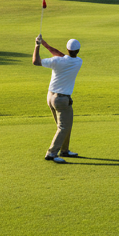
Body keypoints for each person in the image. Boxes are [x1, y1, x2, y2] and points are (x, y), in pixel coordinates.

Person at [32, 35, 84, 163]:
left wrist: (38, 45)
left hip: (50, 97)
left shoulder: (56, 61)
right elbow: (60, 55)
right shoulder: (78, 61)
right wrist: (45, 44)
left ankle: (64, 150)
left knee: (66, 125)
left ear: (67, 49)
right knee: (63, 127)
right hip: (61, 99)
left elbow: (36, 61)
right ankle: (51, 153)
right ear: (78, 51)